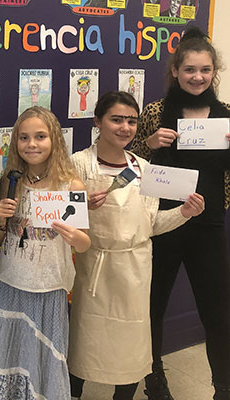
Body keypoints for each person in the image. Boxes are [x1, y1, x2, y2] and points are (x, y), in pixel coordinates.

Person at [68, 91, 205, 400]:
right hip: (94, 271)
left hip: (135, 271)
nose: (125, 128)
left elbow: (152, 223)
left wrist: (184, 213)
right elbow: (61, 219)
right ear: (98, 122)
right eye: (116, 119)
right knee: (83, 346)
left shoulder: (144, 168)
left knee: (131, 349)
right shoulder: (78, 164)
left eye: (131, 121)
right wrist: (81, 205)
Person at [131, 27, 230, 400]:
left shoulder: (226, 117)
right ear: (175, 70)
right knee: (152, 307)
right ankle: (155, 380)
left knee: (218, 313)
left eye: (205, 70)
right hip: (162, 225)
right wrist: (149, 142)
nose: (197, 77)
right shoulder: (156, 111)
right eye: (190, 69)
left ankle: (223, 386)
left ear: (214, 71)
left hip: (208, 225)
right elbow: (130, 166)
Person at [0, 106, 91, 399]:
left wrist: (74, 235)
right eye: (24, 138)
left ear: (55, 140)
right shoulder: (10, 181)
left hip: (49, 287)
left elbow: (85, 244)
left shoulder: (70, 185)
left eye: (40, 136)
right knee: (6, 355)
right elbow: (0, 239)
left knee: (43, 360)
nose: (32, 144)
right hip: (10, 282)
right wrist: (0, 220)